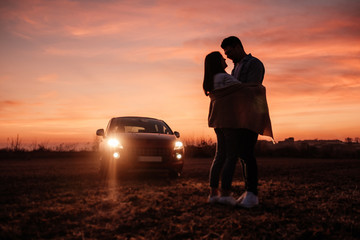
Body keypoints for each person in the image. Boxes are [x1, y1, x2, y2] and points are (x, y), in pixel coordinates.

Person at [219, 36, 265, 208]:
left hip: (251, 114)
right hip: (238, 116)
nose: (228, 56)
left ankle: (252, 193)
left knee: (247, 154)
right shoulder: (235, 68)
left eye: (229, 51)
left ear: (238, 46)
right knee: (243, 155)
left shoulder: (254, 64)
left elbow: (252, 88)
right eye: (226, 53)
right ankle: (249, 192)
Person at [203, 51, 242, 206]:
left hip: (217, 121)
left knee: (219, 156)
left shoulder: (211, 80)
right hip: (228, 120)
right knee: (232, 156)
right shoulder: (224, 78)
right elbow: (243, 88)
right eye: (222, 58)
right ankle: (225, 194)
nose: (225, 59)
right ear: (217, 63)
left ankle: (213, 194)